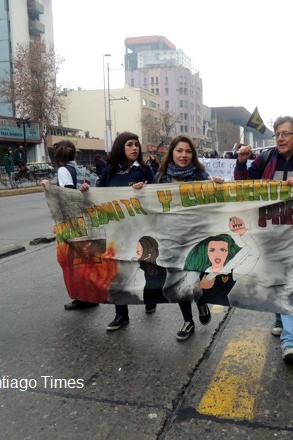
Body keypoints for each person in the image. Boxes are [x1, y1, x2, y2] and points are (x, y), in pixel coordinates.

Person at [233, 116, 293, 362]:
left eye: (286, 134)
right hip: (270, 231)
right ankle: (279, 316)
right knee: (275, 278)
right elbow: (243, 186)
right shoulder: (265, 158)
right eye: (277, 134)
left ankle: (290, 341)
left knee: (291, 283)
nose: (281, 138)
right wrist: (241, 163)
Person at [154, 135, 224, 341]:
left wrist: (217, 185)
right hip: (170, 238)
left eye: (188, 151)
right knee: (177, 279)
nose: (183, 155)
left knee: (193, 277)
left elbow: (215, 201)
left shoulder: (201, 175)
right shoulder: (160, 177)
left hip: (196, 237)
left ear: (193, 154)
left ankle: (201, 301)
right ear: (172, 153)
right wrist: (139, 189)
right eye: (179, 151)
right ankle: (188, 321)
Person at [97, 132, 157, 330]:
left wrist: (144, 191)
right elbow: (98, 194)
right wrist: (86, 190)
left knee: (145, 265)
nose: (134, 148)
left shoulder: (145, 170)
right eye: (130, 144)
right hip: (117, 231)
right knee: (118, 270)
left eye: (136, 144)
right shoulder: (109, 172)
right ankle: (121, 314)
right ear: (120, 147)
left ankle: (150, 298)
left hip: (141, 229)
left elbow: (157, 196)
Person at [44, 140, 99, 311]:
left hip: (73, 223)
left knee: (72, 261)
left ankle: (83, 298)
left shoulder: (63, 170)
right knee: (86, 260)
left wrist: (49, 188)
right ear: (75, 153)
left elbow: (66, 195)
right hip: (88, 219)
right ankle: (91, 296)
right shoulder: (83, 170)